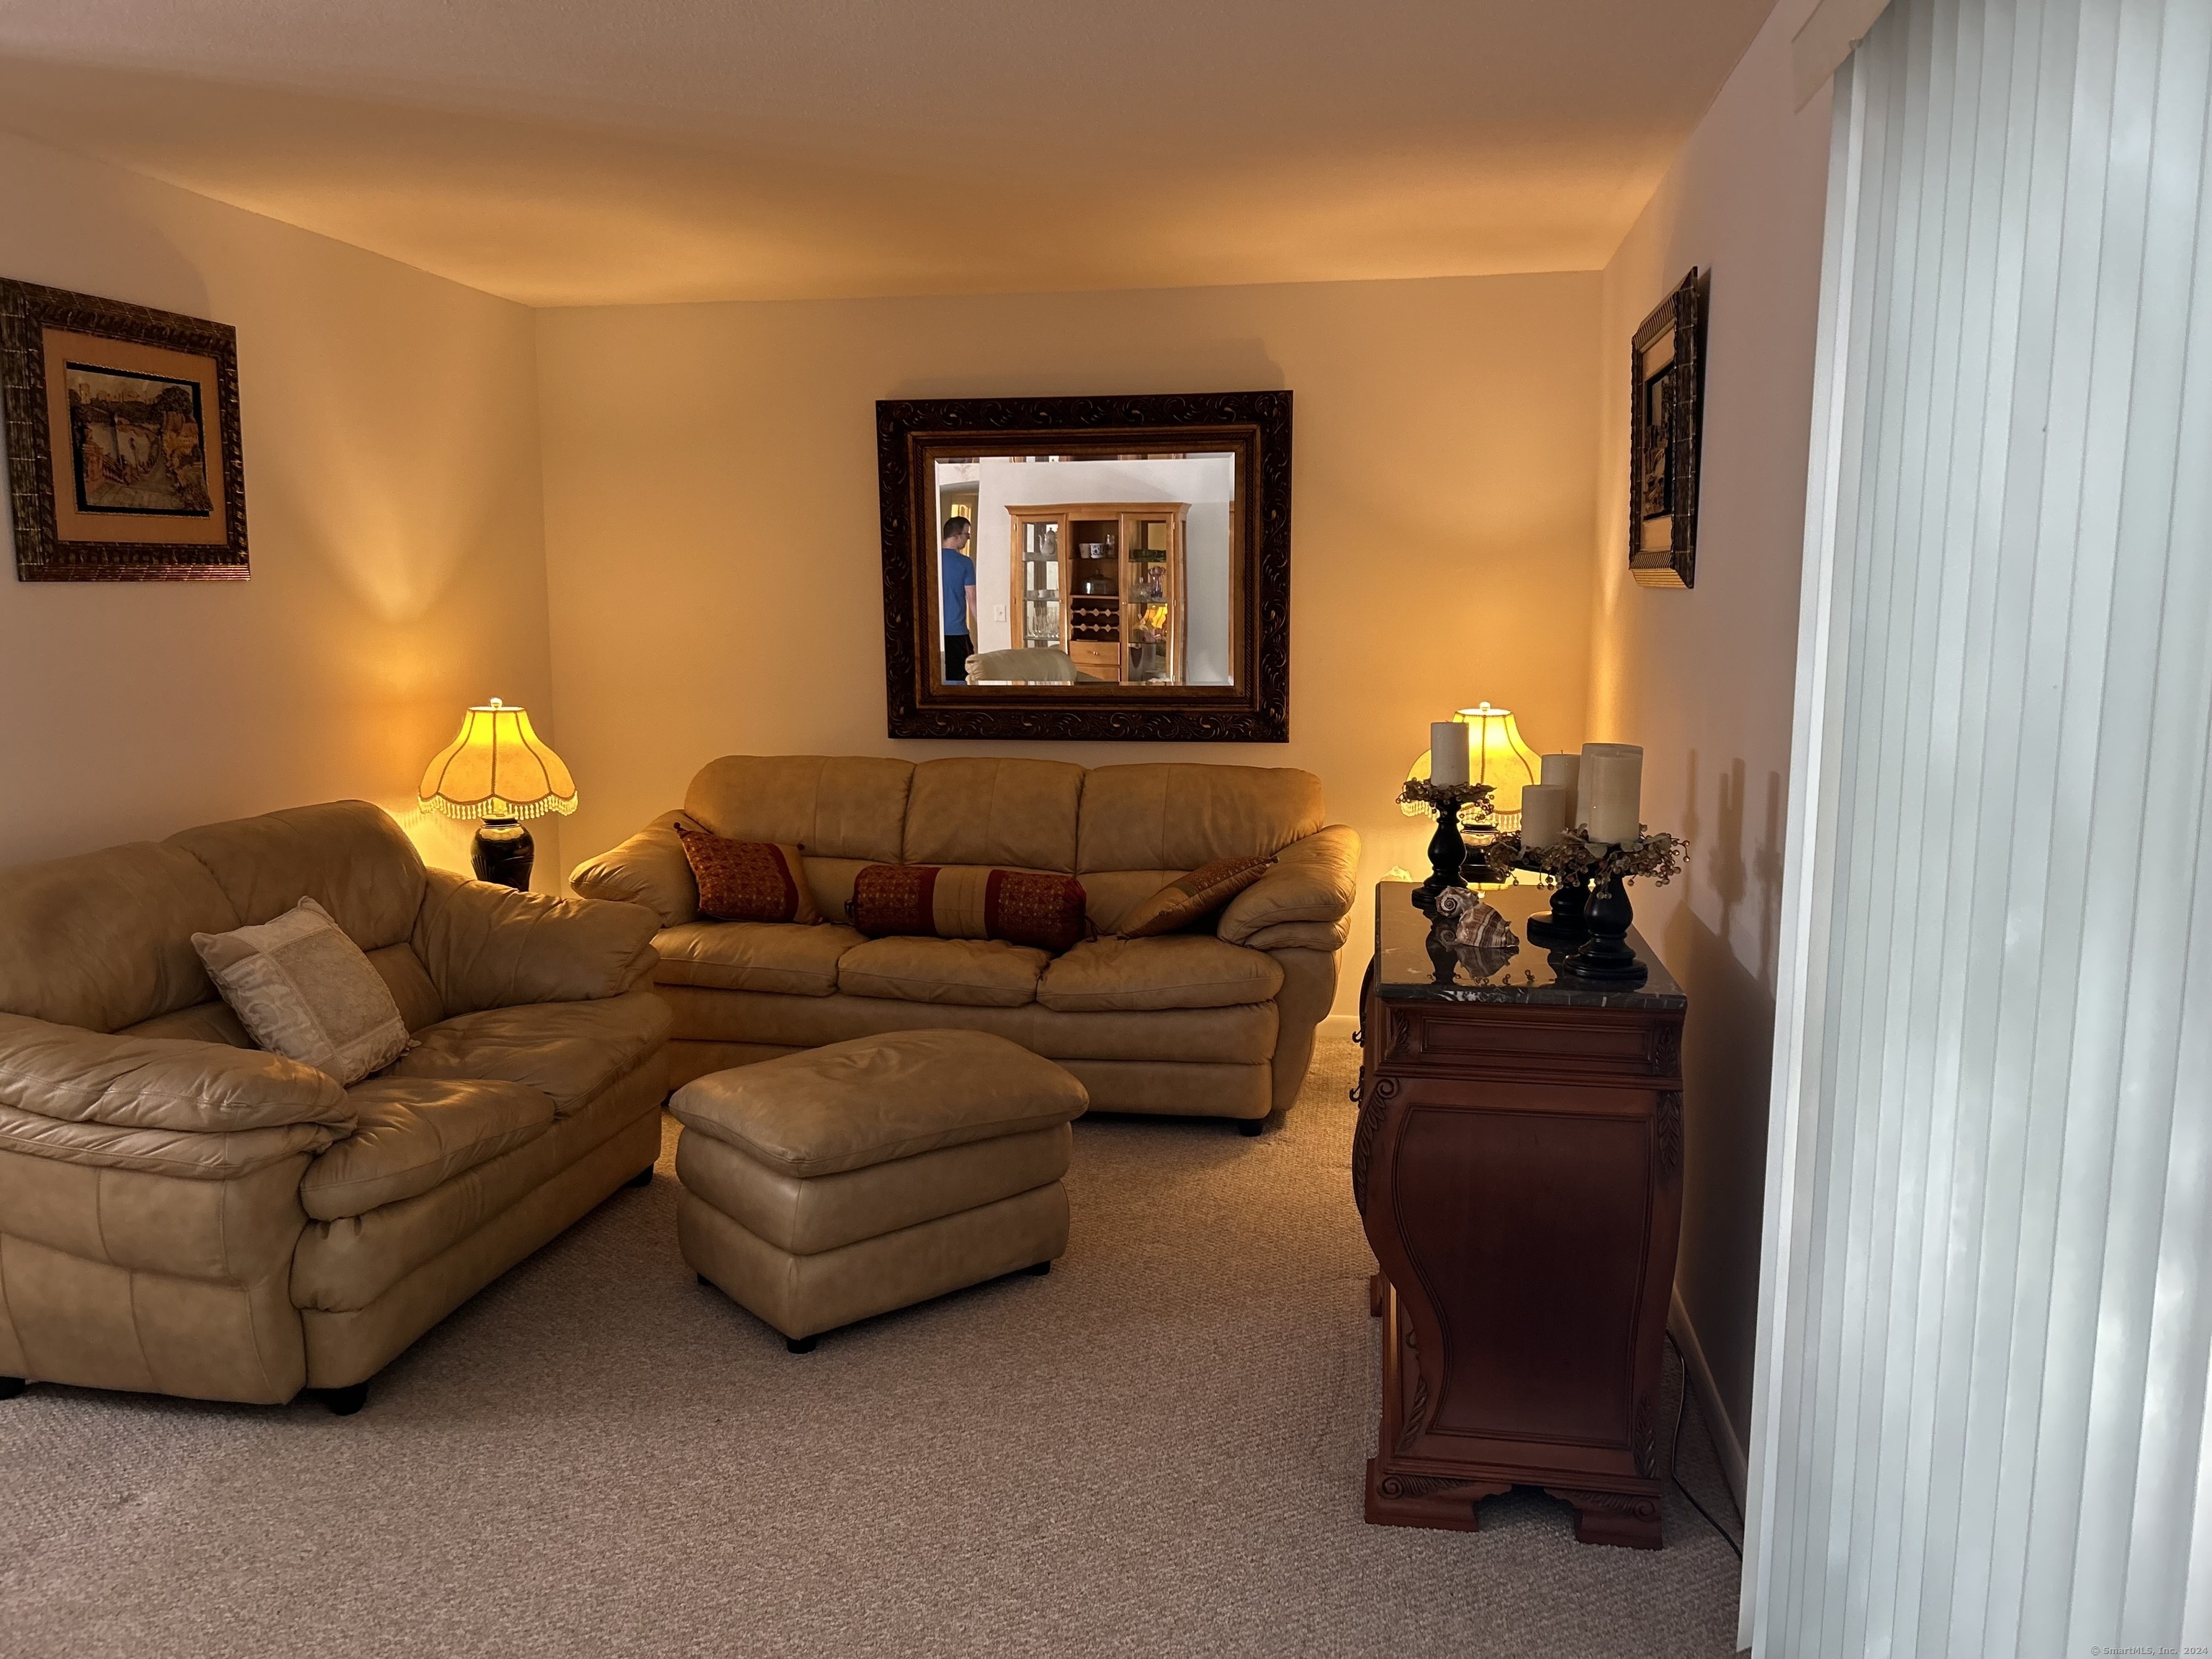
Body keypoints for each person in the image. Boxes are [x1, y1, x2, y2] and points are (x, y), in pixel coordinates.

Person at [939, 516, 977, 681]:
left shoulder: (929, 559)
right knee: (964, 680)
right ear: (956, 536)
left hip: (932, 633)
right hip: (957, 633)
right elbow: (972, 599)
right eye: (966, 535)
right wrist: (983, 629)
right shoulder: (965, 563)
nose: (967, 539)